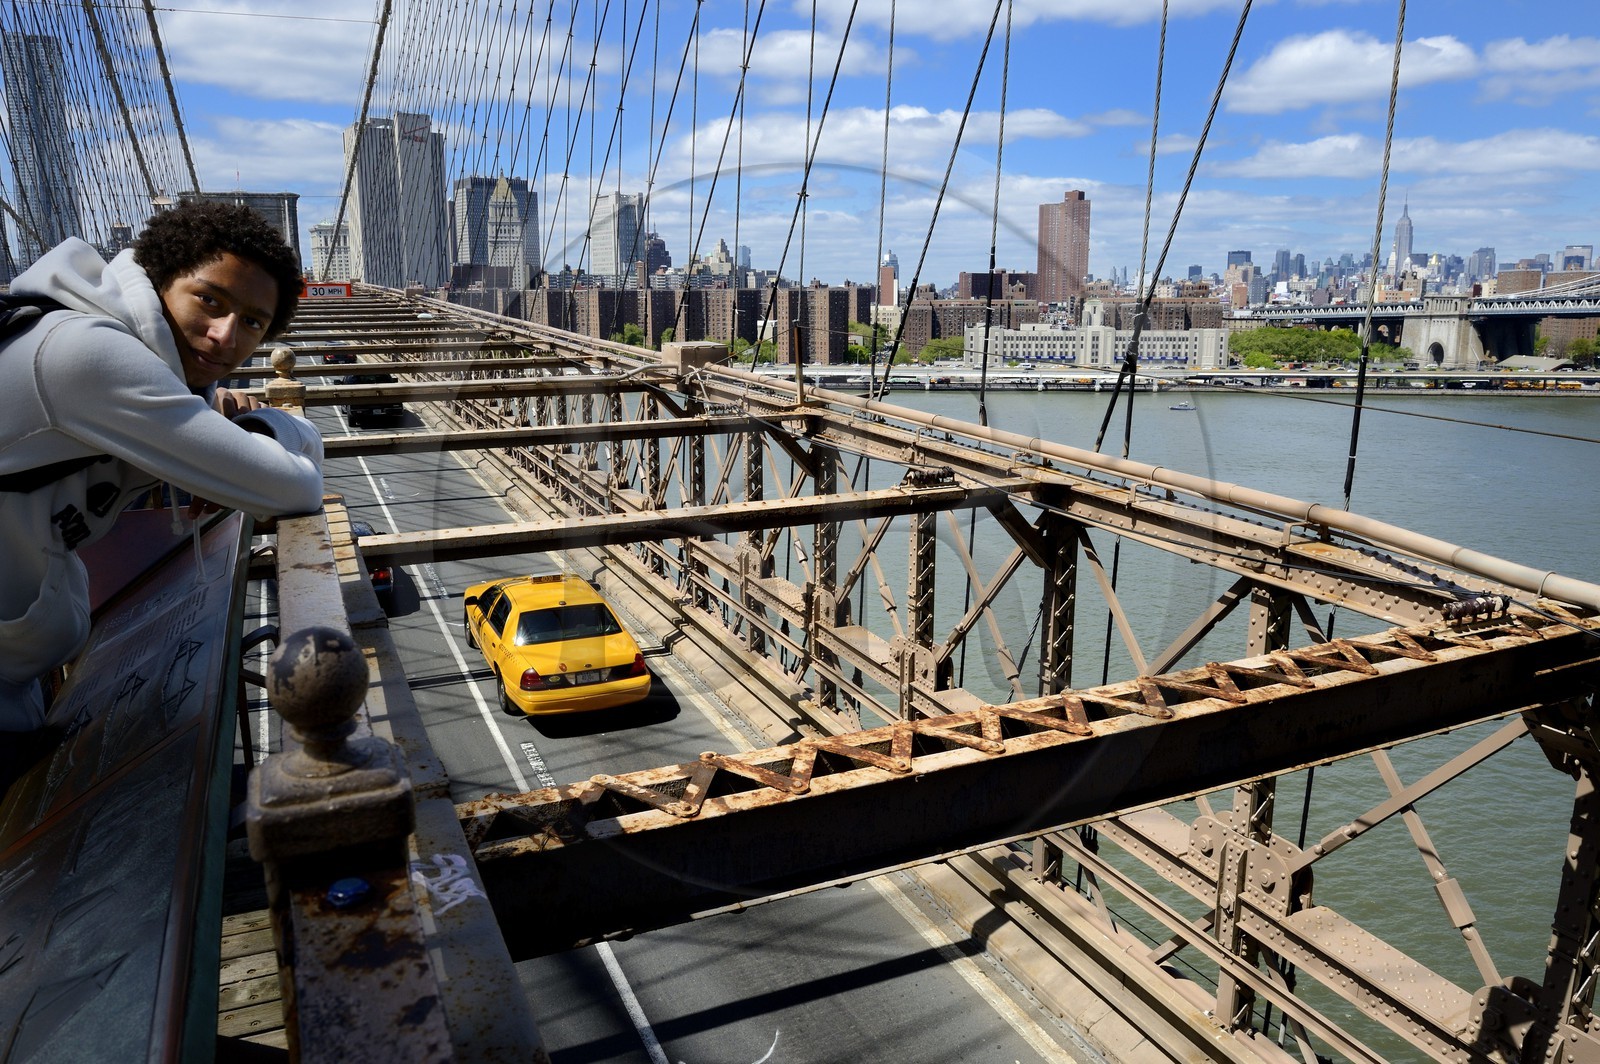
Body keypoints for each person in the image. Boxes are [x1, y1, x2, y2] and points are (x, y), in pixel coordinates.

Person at [0, 201, 324, 731]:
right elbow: (293, 488)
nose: (225, 336)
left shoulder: (124, 352)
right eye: (209, 300)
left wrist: (250, 432)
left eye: (252, 322)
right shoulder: (87, 355)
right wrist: (265, 439)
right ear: (157, 279)